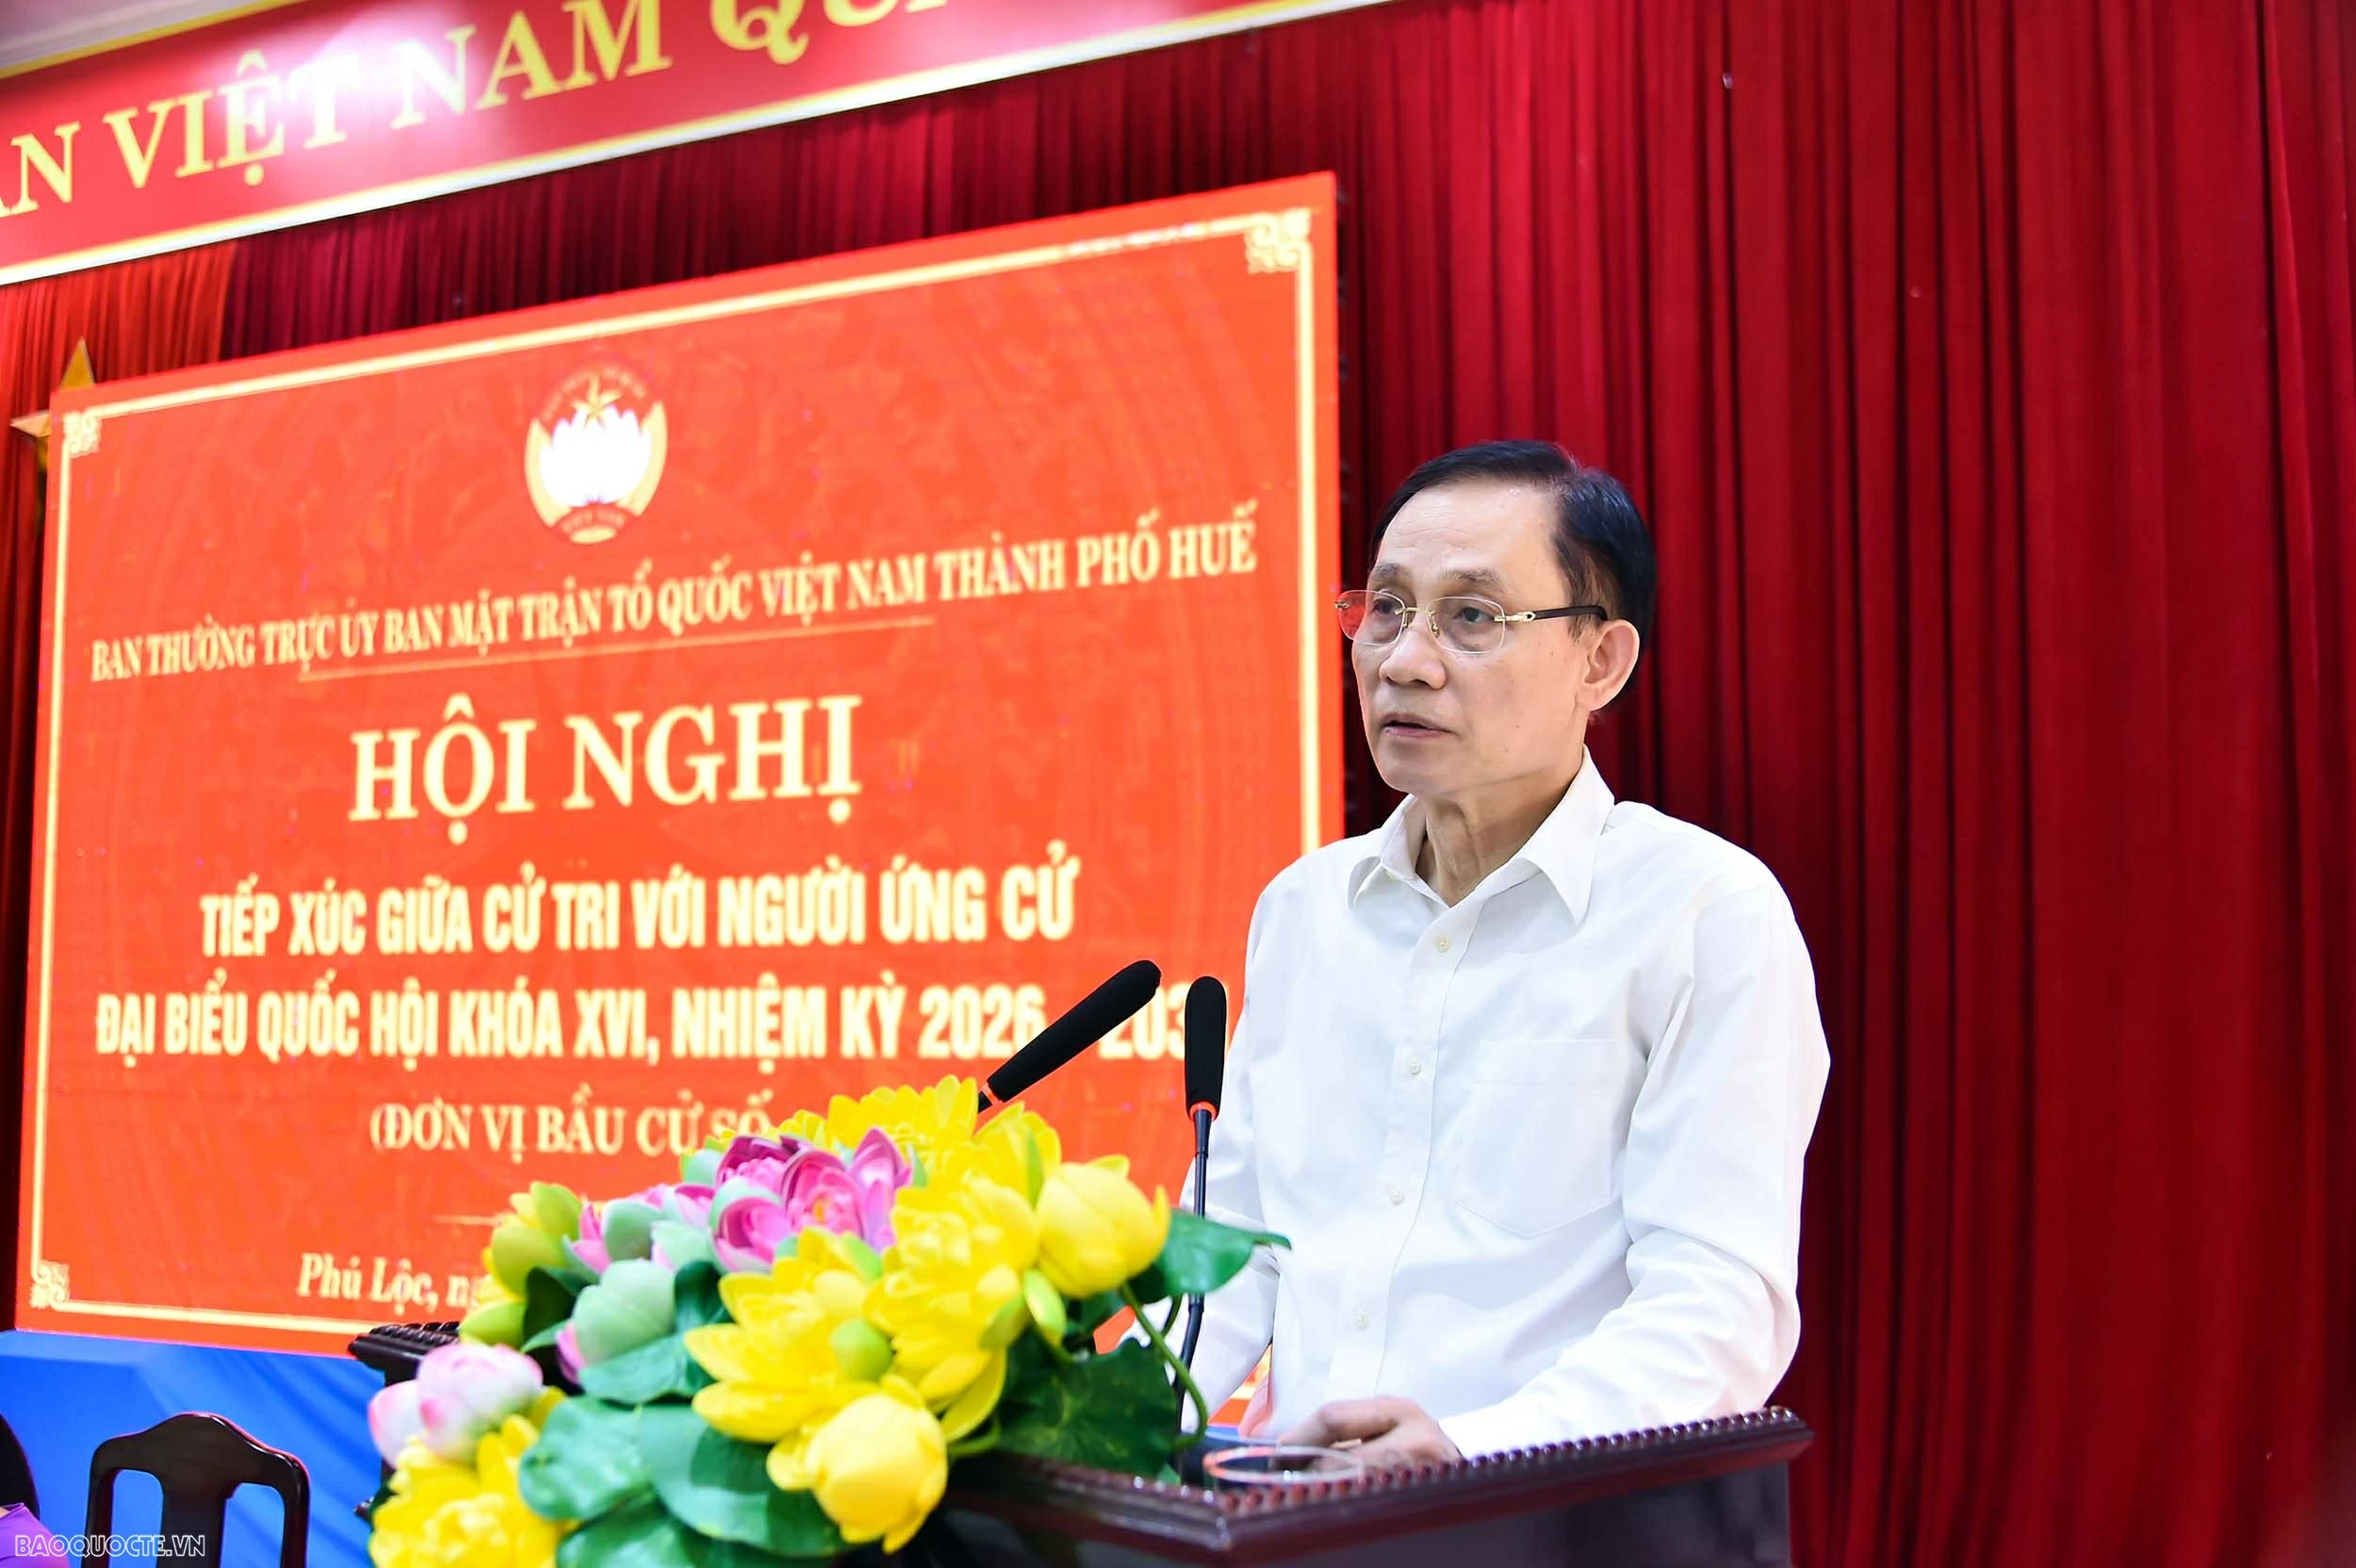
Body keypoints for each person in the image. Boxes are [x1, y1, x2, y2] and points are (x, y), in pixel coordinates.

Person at [1185, 440, 1829, 1468]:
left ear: (1599, 662)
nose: (1404, 660)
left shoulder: (1704, 914)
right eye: (1387, 608)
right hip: (1296, 1516)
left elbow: (1716, 1307)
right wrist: (1100, 1426)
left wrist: (1471, 1452)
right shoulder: (1305, 910)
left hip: (1546, 1517)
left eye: (1472, 617)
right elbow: (1232, 1249)